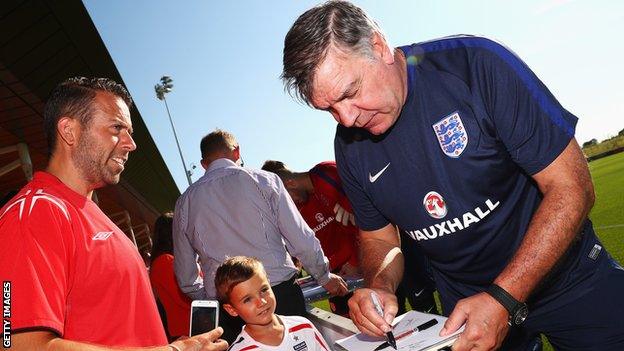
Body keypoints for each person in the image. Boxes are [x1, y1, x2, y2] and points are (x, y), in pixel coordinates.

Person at [281, 2, 624, 351]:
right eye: (329, 110)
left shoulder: (475, 66)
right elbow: (380, 239)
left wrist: (503, 297)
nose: (347, 119)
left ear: (379, 47)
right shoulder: (350, 146)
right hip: (466, 309)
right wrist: (381, 285)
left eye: (350, 93)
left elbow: (571, 186)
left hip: (567, 280)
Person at [0, 77, 227, 351]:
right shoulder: (33, 213)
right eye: (117, 128)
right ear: (69, 131)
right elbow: (17, 344)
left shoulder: (93, 214)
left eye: (129, 131)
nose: (130, 143)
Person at [173, 129, 348, 343]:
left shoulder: (185, 203)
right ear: (236, 152)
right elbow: (300, 238)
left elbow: (185, 276)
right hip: (277, 293)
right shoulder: (265, 180)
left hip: (229, 306)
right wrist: (324, 276)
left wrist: (213, 297)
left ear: (203, 164)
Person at [261, 160, 360, 315]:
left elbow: (362, 222)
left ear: (290, 184)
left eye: (286, 198)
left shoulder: (324, 176)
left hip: (360, 265)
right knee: (347, 321)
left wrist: (354, 261)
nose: (289, 204)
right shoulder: (295, 211)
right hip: (336, 274)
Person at [215, 256, 331, 351]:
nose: (262, 302)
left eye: (264, 290)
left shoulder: (303, 327)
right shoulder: (240, 349)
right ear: (231, 310)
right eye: (247, 299)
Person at [150, 212, 195, 340]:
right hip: (188, 328)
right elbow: (183, 296)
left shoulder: (164, 260)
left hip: (185, 328)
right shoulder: (166, 261)